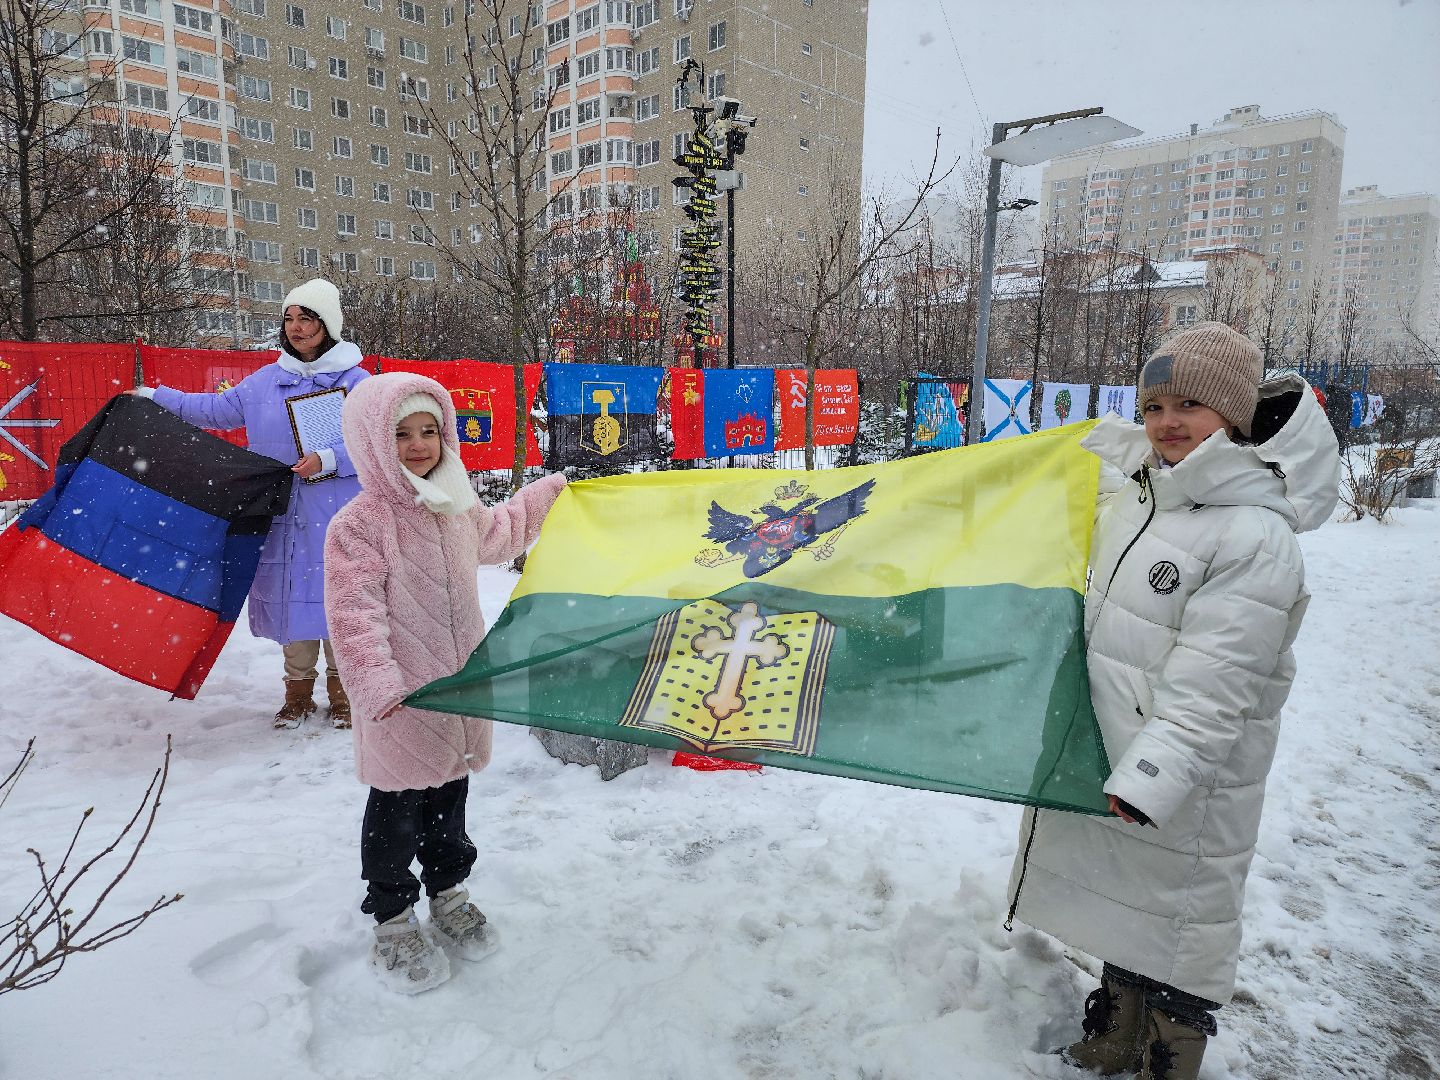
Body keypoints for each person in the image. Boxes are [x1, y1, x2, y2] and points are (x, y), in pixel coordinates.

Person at [1005, 322, 1339, 1079]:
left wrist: (1155, 773)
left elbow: (1218, 682)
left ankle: (1169, 1050)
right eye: (1154, 406)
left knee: (1180, 919)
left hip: (1188, 773)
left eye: (1191, 403)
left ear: (1235, 415)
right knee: (1130, 907)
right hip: (1124, 746)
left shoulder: (1254, 535)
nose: (1167, 422)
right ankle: (1120, 1028)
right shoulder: (1141, 497)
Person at [322, 372, 566, 994]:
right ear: (373, 441)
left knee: (449, 807)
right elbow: (354, 616)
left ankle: (449, 891)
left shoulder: (455, 504)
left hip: (458, 690)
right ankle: (393, 914)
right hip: (402, 701)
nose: (418, 444)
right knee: (396, 811)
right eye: (401, 433)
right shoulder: (360, 524)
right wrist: (379, 687)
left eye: (430, 430)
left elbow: (503, 531)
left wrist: (553, 495)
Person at [132, 279, 368, 729]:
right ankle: (297, 694)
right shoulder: (266, 381)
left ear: (328, 326)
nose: (296, 328)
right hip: (283, 514)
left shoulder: (359, 384)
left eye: (306, 319)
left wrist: (332, 459)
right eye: (289, 319)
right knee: (292, 600)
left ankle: (345, 696)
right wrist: (154, 398)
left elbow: (380, 445)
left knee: (343, 603)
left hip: (341, 517)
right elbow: (214, 411)